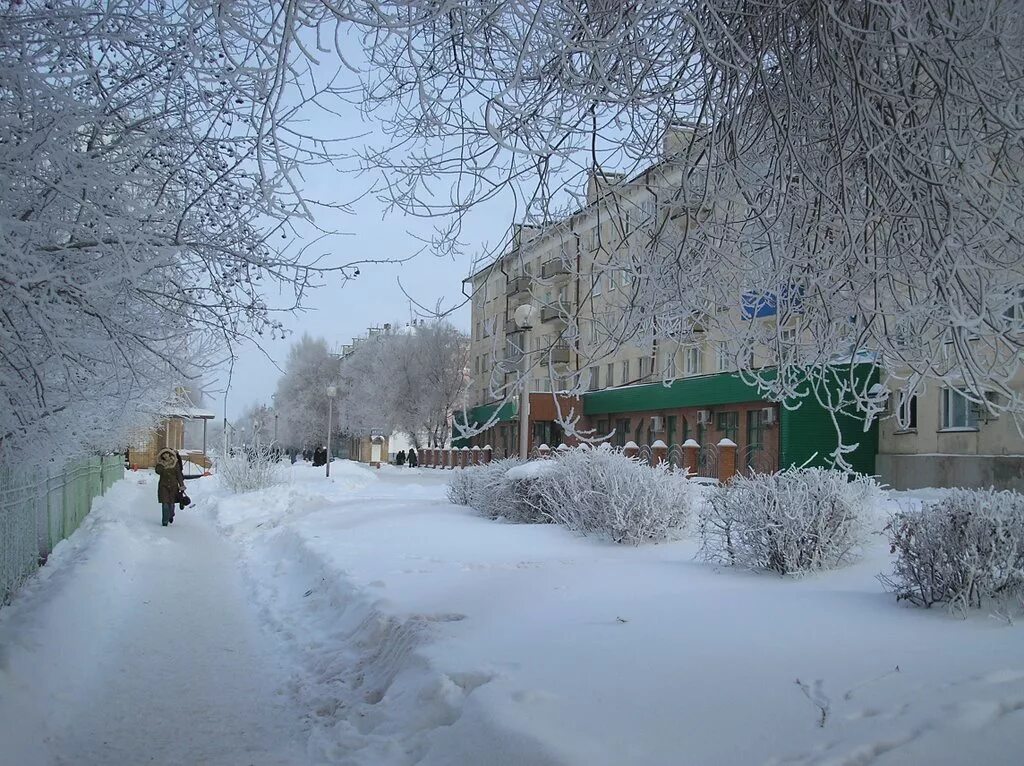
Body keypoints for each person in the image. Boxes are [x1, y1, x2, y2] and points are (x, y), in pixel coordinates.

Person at [155, 448, 185, 527]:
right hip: (163, 486)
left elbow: (179, 475)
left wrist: (181, 485)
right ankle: (164, 521)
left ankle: (171, 515)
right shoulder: (160, 463)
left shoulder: (175, 463)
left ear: (170, 454)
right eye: (163, 455)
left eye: (166, 454)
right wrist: (162, 465)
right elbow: (157, 471)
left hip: (173, 487)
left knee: (171, 504)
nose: (165, 456)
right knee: (165, 504)